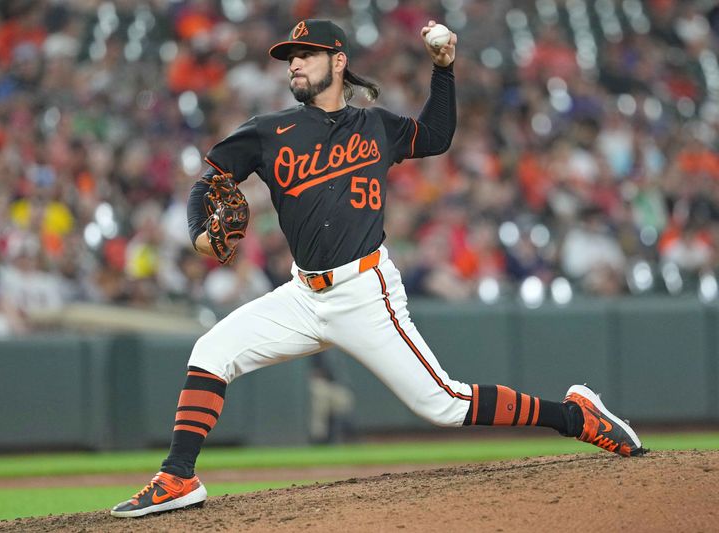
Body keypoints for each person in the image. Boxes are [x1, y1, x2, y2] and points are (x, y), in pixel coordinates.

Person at [111, 19, 644, 519]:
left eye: (305, 55)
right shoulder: (266, 132)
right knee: (211, 351)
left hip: (365, 291)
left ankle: (577, 416)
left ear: (337, 61)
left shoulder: (376, 126)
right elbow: (206, 181)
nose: (294, 64)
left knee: (443, 405)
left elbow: (436, 136)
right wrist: (200, 234)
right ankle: (178, 477)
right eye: (289, 58)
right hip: (301, 295)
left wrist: (444, 69)